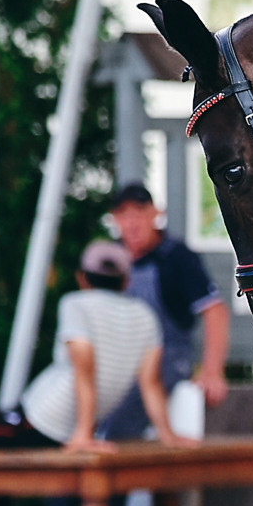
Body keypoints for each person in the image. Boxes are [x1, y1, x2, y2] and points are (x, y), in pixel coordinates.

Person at [0, 242, 189, 506]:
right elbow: (150, 383)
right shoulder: (145, 316)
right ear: (126, 281)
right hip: (57, 428)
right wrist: (167, 434)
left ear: (82, 278)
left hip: (39, 421)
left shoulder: (75, 304)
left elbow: (84, 367)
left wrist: (83, 433)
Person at [98, 181, 229, 439]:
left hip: (169, 360)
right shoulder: (109, 258)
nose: (132, 223)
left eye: (139, 213)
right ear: (115, 219)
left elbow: (214, 310)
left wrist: (212, 370)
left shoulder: (177, 256)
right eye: (124, 215)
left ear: (156, 214)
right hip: (119, 361)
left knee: (118, 423)